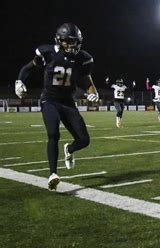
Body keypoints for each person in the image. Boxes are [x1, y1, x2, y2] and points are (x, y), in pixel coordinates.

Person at [14, 23, 99, 190]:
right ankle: (53, 173)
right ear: (60, 41)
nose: (72, 45)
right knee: (53, 134)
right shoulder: (48, 52)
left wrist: (93, 93)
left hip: (68, 102)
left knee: (84, 140)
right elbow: (27, 68)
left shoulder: (83, 58)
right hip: (50, 100)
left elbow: (87, 81)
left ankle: (70, 149)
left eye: (75, 42)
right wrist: (19, 81)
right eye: (68, 42)